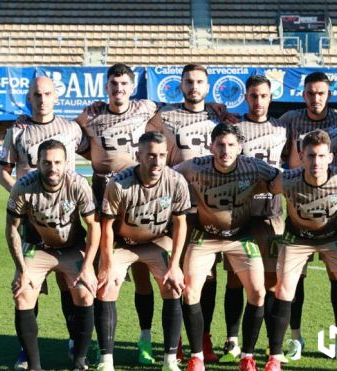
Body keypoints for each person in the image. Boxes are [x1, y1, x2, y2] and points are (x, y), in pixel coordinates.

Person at [76, 63, 165, 366]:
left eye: (124, 84)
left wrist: (216, 106)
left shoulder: (146, 107)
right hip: (103, 192)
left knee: (142, 273)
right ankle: (94, 344)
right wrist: (99, 158)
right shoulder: (92, 115)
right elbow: (75, 138)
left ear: (131, 87)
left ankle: (145, 338)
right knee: (103, 273)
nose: (118, 90)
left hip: (139, 195)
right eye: (113, 84)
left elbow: (177, 112)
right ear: (107, 87)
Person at [0, 76, 90, 370]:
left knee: (69, 283)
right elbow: (4, 172)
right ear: (30, 97)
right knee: (28, 285)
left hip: (67, 218)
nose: (42, 99)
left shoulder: (71, 129)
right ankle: (26, 352)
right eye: (37, 94)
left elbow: (97, 150)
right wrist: (24, 198)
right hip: (31, 218)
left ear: (56, 97)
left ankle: (76, 341)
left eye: (47, 93)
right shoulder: (17, 130)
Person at [176, 123, 282, 371]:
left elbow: (278, 178)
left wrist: (268, 188)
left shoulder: (252, 166)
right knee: (190, 291)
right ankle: (197, 357)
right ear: (211, 146)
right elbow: (168, 177)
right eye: (220, 145)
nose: (225, 150)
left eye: (231, 145)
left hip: (240, 236)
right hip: (205, 236)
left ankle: (247, 356)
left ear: (239, 147)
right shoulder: (195, 166)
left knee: (258, 292)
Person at [266, 129, 337, 371]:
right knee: (283, 288)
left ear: (331, 157)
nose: (316, 162)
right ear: (301, 156)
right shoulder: (288, 180)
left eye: (321, 156)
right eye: (311, 156)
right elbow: (268, 187)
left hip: (334, 237)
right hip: (297, 238)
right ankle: (275, 358)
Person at [147, 64, 224, 362]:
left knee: (209, 277)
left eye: (199, 82)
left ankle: (203, 339)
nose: (194, 86)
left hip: (212, 207)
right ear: (180, 85)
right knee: (179, 275)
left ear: (208, 86)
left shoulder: (219, 115)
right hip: (179, 208)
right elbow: (148, 150)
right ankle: (177, 340)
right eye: (188, 81)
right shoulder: (163, 116)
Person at [96, 131, 190, 371]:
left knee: (172, 284)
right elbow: (106, 228)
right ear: (138, 155)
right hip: (123, 244)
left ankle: (169, 359)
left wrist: (176, 265)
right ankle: (106, 359)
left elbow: (180, 225)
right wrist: (106, 265)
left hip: (157, 241)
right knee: (106, 286)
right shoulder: (119, 183)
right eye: (150, 155)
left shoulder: (176, 181)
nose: (156, 162)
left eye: (161, 155)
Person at [278, 71, 337, 361]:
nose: (315, 98)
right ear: (303, 95)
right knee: (295, 280)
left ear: (329, 95)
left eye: (320, 93)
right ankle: (295, 338)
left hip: (332, 208)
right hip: (299, 204)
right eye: (310, 93)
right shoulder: (290, 120)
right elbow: (261, 128)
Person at [5, 139, 99, 371]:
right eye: (47, 163)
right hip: (38, 248)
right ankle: (33, 365)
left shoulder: (78, 184)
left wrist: (87, 267)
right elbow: (12, 229)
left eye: (58, 162)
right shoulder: (24, 186)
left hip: (71, 248)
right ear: (37, 163)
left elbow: (94, 226)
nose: (53, 168)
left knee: (86, 293)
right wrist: (22, 270)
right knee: (22, 294)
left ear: (66, 163)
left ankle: (79, 360)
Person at [220, 75, 287, 364]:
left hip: (272, 214)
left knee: (272, 282)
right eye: (253, 96)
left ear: (270, 97)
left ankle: (274, 348)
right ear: (245, 97)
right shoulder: (233, 128)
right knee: (236, 279)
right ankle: (232, 339)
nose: (258, 101)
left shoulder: (283, 127)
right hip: (241, 216)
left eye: (263, 96)